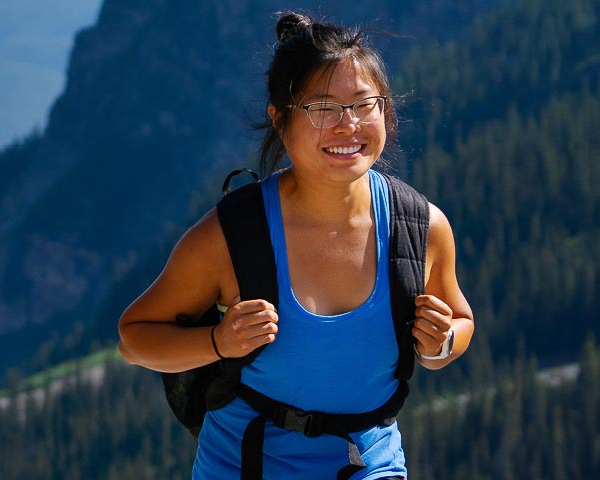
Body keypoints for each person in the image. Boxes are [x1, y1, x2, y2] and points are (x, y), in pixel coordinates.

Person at [117, 11, 475, 480]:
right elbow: (134, 339)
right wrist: (218, 342)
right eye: (322, 108)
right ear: (280, 120)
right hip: (246, 466)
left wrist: (440, 343)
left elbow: (460, 320)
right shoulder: (232, 235)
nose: (348, 125)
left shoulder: (422, 226)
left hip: (370, 464)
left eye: (364, 104)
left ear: (385, 111)